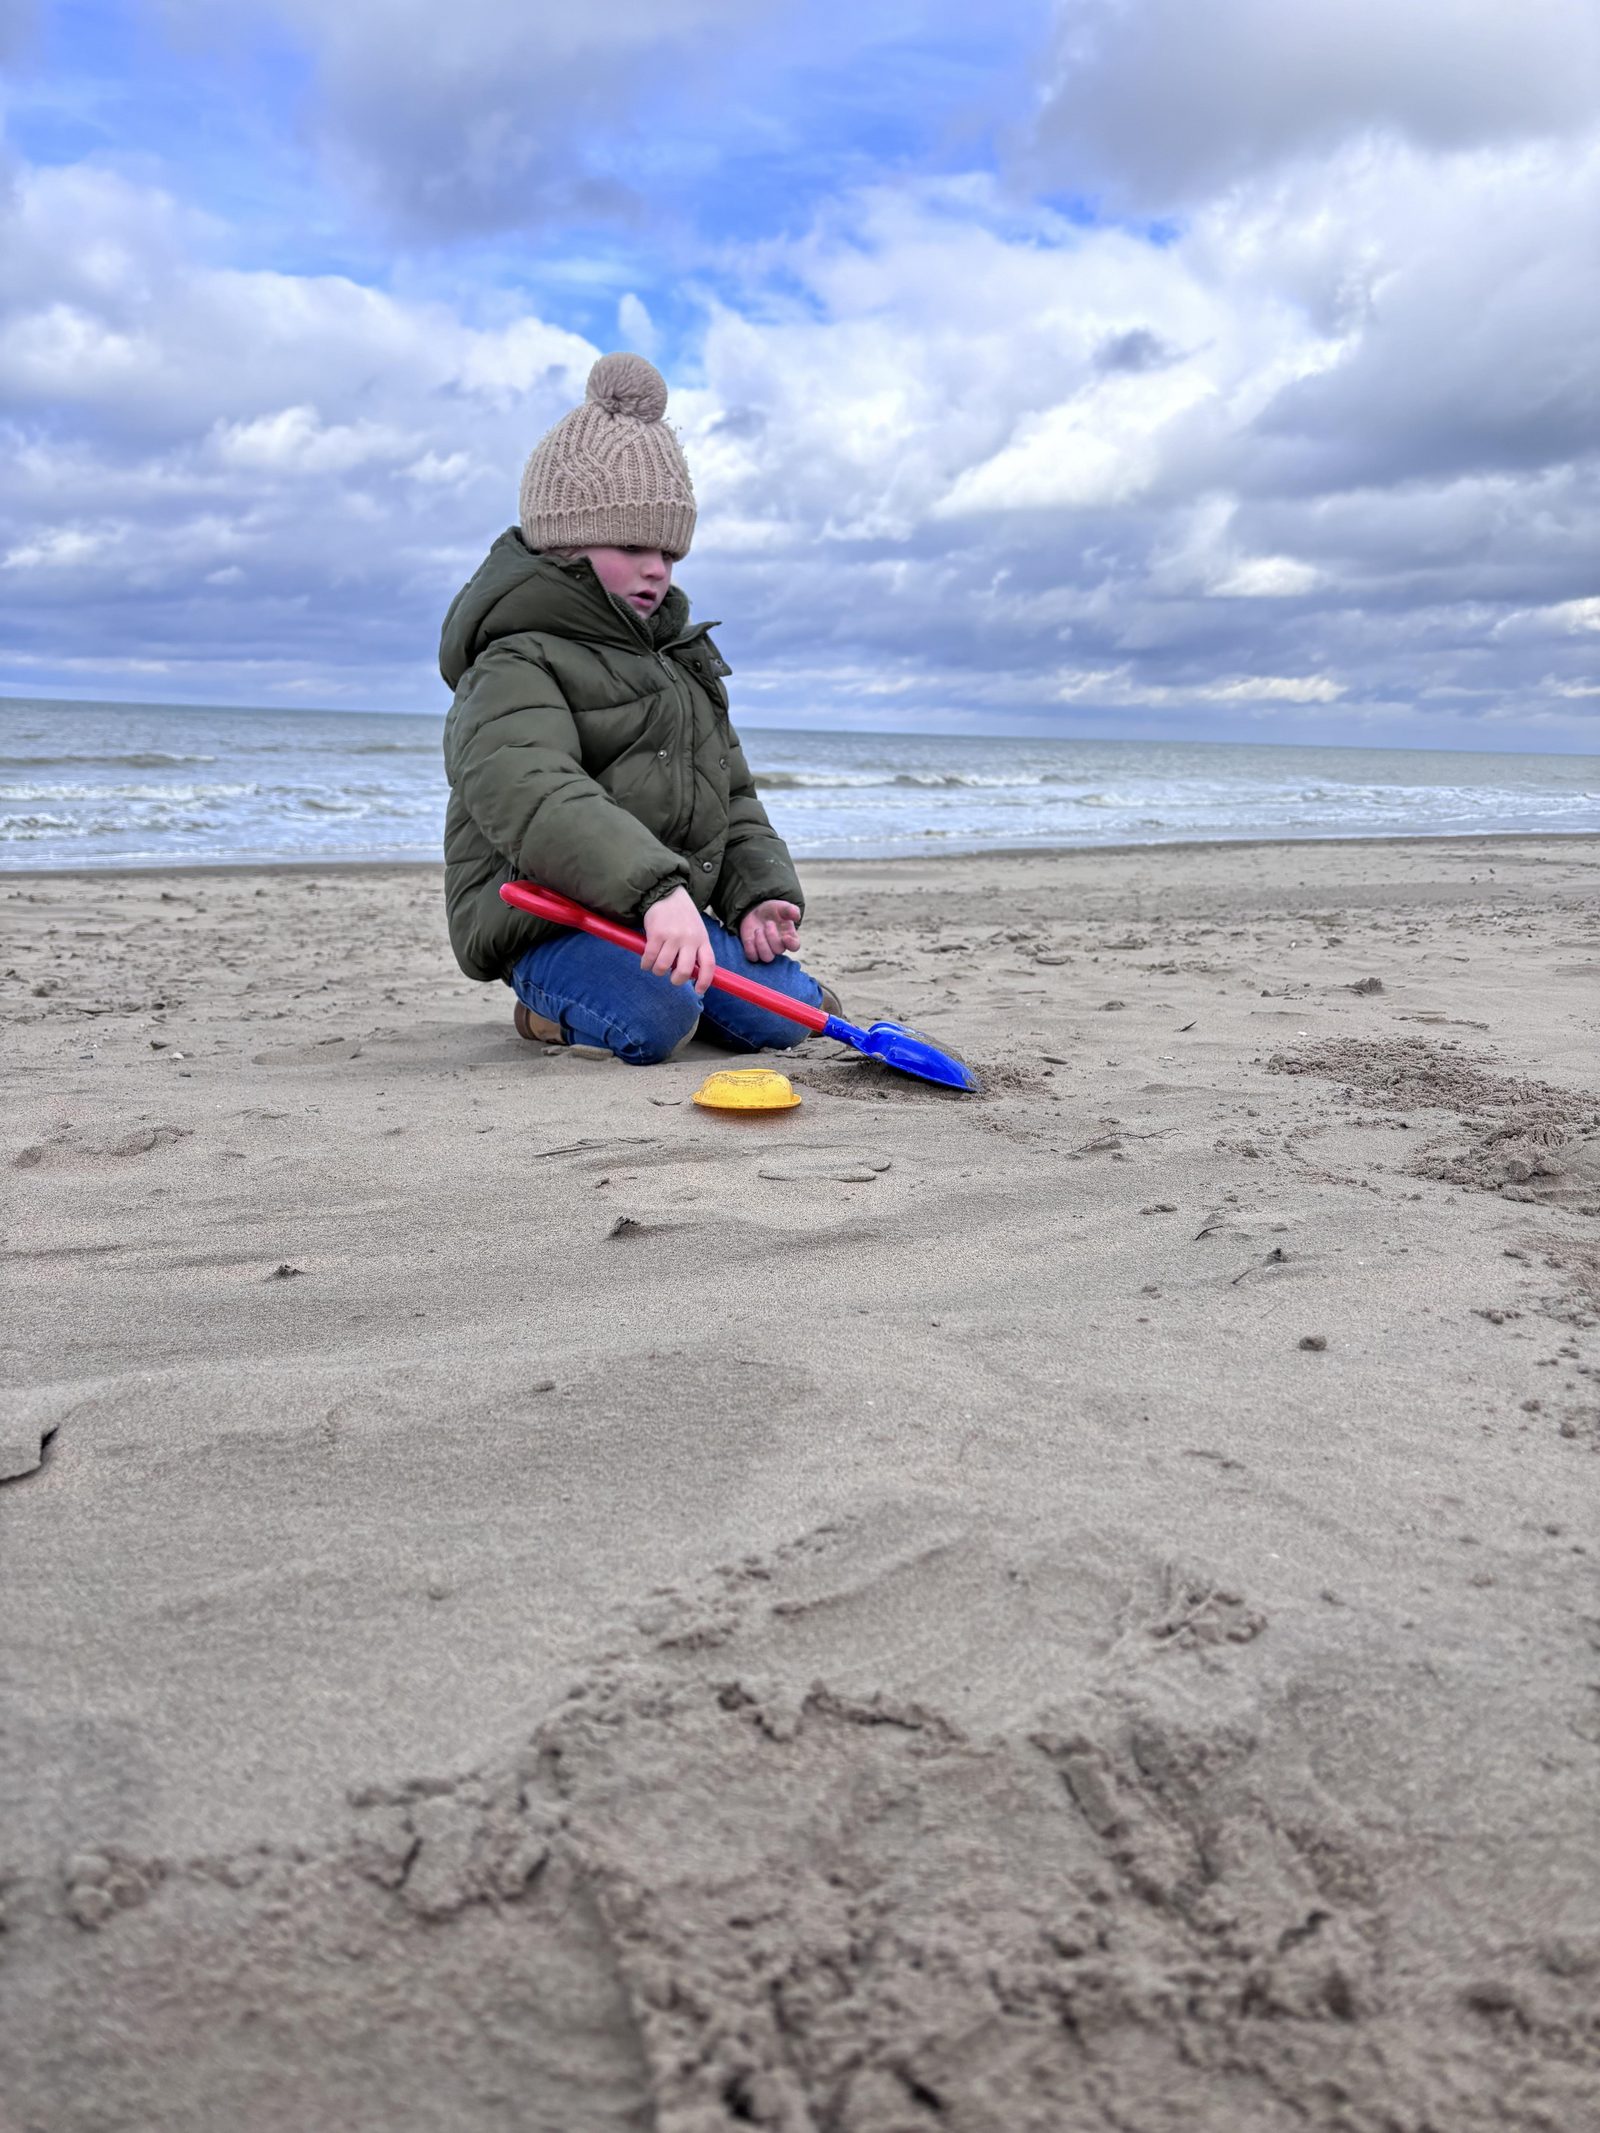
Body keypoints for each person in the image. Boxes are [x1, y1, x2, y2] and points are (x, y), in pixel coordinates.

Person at [439, 352, 835, 1065]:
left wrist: (758, 893)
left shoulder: (676, 661)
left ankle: (740, 988)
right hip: (544, 919)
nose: (657, 567)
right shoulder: (513, 659)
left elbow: (731, 793)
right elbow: (533, 790)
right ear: (565, 544)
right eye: (631, 545)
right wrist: (654, 889)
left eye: (669, 551)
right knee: (653, 1019)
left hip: (658, 910)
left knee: (796, 1017)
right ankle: (545, 1014)